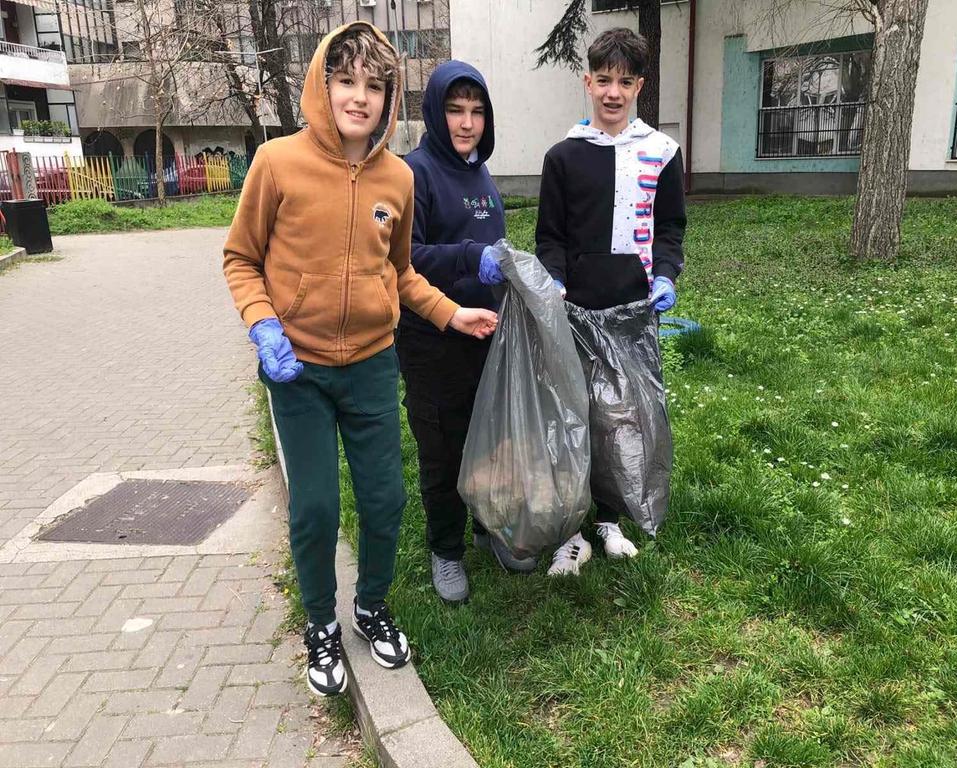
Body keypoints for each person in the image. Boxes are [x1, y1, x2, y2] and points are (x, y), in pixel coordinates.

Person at [222, 22, 497, 695]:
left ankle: (371, 606)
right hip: (298, 370)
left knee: (383, 500)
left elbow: (400, 274)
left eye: (374, 86)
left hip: (373, 364)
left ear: (389, 98)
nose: (359, 97)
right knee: (316, 507)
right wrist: (263, 325)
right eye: (345, 81)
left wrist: (451, 313)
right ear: (322, 84)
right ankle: (321, 624)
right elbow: (240, 258)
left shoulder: (397, 178)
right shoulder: (277, 163)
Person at [535, 27, 686, 576]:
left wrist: (665, 274)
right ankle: (569, 532)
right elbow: (550, 236)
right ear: (587, 82)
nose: (613, 93)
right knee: (572, 417)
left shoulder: (661, 154)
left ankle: (608, 520)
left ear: (640, 85)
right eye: (603, 80)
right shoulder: (564, 157)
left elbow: (670, 227)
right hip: (574, 312)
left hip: (631, 316)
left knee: (621, 420)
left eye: (624, 82)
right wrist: (554, 281)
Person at [398, 61, 537, 604]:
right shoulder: (415, 174)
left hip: (487, 336)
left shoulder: (481, 174)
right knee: (444, 449)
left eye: (477, 112)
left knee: (493, 440)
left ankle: (488, 528)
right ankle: (446, 549)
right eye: (455, 110)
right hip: (432, 341)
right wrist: (469, 256)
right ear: (436, 113)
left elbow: (493, 249)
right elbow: (405, 258)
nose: (466, 123)